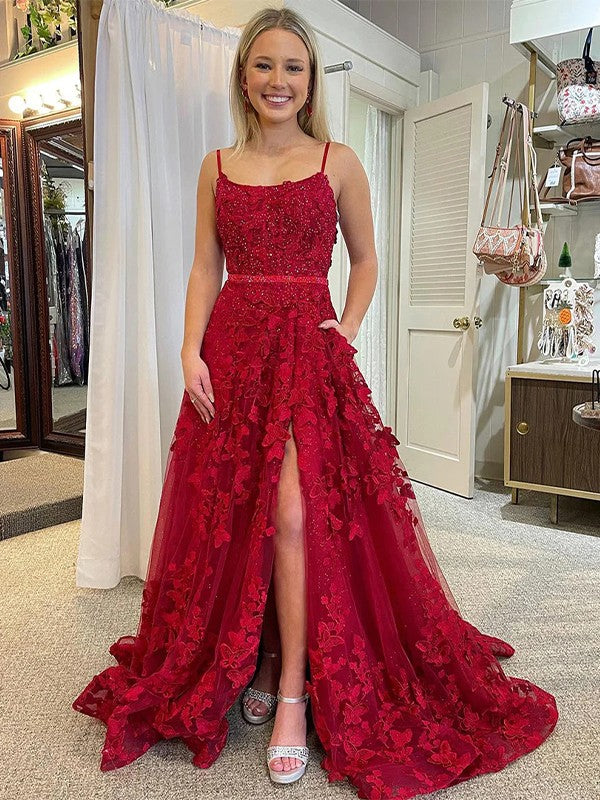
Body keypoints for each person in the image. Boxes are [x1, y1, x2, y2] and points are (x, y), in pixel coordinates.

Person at [73, 7, 559, 798]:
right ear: (244, 77)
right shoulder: (216, 166)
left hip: (307, 350)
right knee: (239, 515)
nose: (278, 80)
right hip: (235, 351)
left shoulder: (339, 161)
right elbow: (203, 267)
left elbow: (366, 261)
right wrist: (190, 349)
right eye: (264, 65)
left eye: (293, 67)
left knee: (295, 516)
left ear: (310, 80)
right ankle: (265, 658)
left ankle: (294, 692)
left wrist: (349, 325)